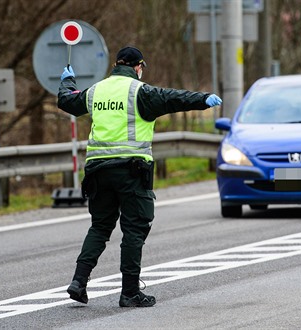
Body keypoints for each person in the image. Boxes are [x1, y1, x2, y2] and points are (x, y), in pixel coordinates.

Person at [57, 46, 222, 307]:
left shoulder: (96, 91)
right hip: (131, 171)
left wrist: (67, 81)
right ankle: (130, 292)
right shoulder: (140, 92)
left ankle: (78, 281)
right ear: (137, 67)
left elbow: (67, 101)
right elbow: (173, 98)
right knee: (134, 230)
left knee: (100, 227)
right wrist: (203, 99)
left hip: (98, 171)